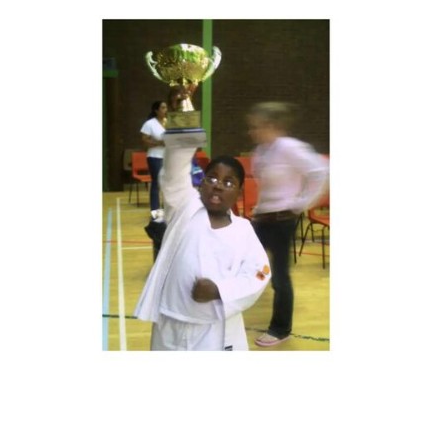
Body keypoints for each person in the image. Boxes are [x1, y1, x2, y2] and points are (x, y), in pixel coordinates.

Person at [134, 142, 272, 351]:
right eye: (212, 178)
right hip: (170, 320)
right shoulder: (184, 207)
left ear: (239, 192)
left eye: (228, 182)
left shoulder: (243, 230)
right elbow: (173, 175)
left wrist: (218, 290)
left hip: (215, 329)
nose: (218, 186)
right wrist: (183, 139)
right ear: (201, 183)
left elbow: (259, 274)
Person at [247, 101, 329, 347]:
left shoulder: (289, 147)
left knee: (280, 277)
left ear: (271, 125)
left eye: (256, 126)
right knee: (246, 263)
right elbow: (266, 187)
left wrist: (301, 203)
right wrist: (258, 210)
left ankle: (280, 329)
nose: (252, 131)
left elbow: (321, 171)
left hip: (283, 221)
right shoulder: (261, 151)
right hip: (262, 219)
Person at [140, 101, 168, 212]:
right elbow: (144, 140)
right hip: (155, 156)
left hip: (168, 157)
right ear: (156, 110)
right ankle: (155, 210)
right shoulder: (150, 123)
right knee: (156, 183)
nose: (165, 110)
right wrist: (159, 143)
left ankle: (167, 208)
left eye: (166, 107)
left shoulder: (169, 122)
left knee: (167, 183)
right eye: (163, 108)